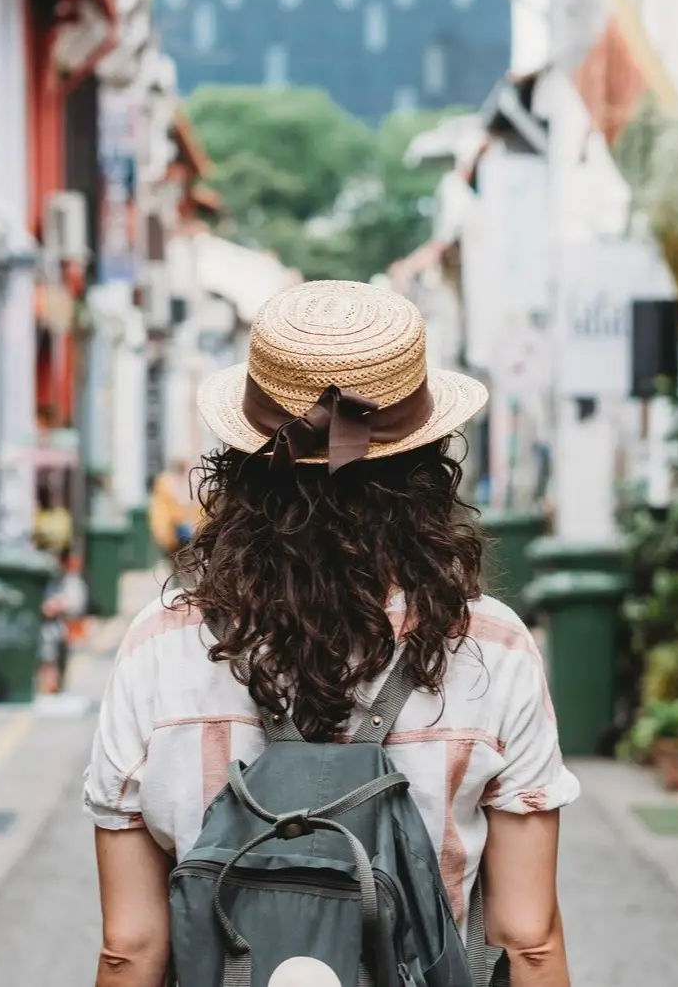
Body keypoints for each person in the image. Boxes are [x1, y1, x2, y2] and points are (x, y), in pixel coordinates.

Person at [85, 280, 576, 987]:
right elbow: (527, 938)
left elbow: (129, 948)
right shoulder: (490, 646)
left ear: (245, 464)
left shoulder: (160, 645)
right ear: (425, 465)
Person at [147, 456, 201, 559]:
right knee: (175, 559)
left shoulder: (193, 480)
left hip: (192, 529)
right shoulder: (166, 482)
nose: (181, 467)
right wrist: (160, 531)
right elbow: (159, 510)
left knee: (190, 558)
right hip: (173, 530)